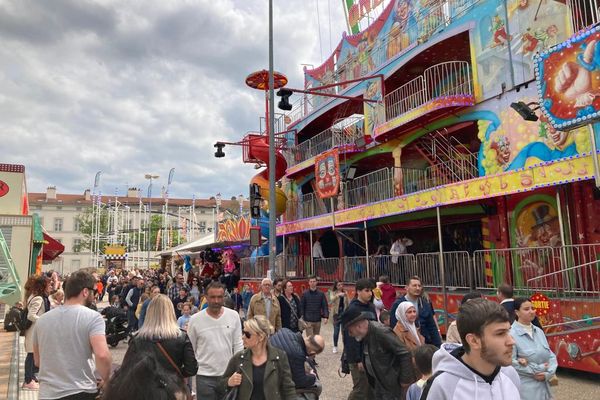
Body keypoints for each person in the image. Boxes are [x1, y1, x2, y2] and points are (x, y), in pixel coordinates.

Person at [32, 270, 112, 399]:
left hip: (47, 393)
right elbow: (102, 355)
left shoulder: (42, 320)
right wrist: (107, 379)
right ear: (85, 292)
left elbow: (38, 361)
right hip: (80, 390)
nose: (94, 295)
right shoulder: (93, 317)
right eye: (94, 291)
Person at [421, 298, 520, 400]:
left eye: (508, 331)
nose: (511, 341)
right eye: (500, 333)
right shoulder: (442, 385)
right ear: (473, 341)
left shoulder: (510, 374)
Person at [103, 294, 198, 399]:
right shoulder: (182, 337)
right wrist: (175, 374)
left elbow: (127, 368)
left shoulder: (138, 338)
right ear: (170, 312)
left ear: (150, 312)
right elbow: (191, 369)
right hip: (173, 391)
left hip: (144, 391)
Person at [342, 308, 416, 400]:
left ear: (359, 327)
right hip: (379, 383)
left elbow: (404, 353)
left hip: (391, 386)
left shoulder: (381, 332)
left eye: (350, 331)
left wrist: (405, 380)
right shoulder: (365, 335)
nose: (350, 334)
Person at [187, 282, 243, 400]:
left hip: (228, 376)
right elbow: (190, 349)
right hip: (204, 377)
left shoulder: (234, 316)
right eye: (212, 297)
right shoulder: (195, 320)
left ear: (224, 297)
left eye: (219, 297)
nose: (216, 301)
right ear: (206, 297)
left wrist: (238, 370)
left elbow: (238, 346)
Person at [219, 316, 296, 400]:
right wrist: (229, 382)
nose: (243, 337)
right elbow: (220, 385)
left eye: (247, 334)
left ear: (261, 337)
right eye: (243, 332)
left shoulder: (279, 357)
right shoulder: (238, 358)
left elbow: (288, 388)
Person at [510, 297, 557, 400]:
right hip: (527, 390)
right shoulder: (511, 334)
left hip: (545, 388)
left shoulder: (539, 331)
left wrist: (548, 374)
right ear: (517, 312)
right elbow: (510, 362)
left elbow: (551, 355)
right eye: (526, 309)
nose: (531, 312)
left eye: (532, 308)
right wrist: (538, 369)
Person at [343, 278, 377, 400]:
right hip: (358, 356)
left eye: (371, 291)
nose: (370, 293)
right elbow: (349, 338)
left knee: (371, 388)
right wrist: (358, 359)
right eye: (367, 290)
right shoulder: (352, 310)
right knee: (360, 389)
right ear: (358, 291)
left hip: (371, 354)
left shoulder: (371, 307)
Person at [269, 328, 324, 397]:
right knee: (317, 387)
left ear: (309, 337)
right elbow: (300, 381)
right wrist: (313, 376)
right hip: (270, 380)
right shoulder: (298, 354)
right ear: (312, 353)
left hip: (265, 364)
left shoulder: (286, 330)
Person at [390, 276, 442, 347]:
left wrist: (438, 345)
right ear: (407, 287)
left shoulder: (425, 304)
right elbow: (393, 326)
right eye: (414, 285)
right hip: (406, 345)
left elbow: (432, 327)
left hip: (425, 344)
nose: (417, 288)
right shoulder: (398, 304)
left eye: (419, 286)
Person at [22, 274, 50, 390]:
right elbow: (31, 315)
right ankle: (28, 380)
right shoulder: (38, 298)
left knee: (33, 355)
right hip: (34, 331)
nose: (50, 286)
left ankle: (31, 378)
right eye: (49, 284)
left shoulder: (34, 295)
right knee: (31, 355)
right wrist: (44, 320)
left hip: (34, 331)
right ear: (44, 286)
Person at [328, 280, 347, 354]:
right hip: (336, 313)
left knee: (344, 331)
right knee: (336, 331)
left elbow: (347, 303)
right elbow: (330, 301)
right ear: (336, 286)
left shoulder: (345, 292)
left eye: (341, 285)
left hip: (344, 313)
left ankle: (345, 346)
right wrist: (338, 295)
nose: (340, 286)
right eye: (339, 285)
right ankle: (335, 346)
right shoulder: (332, 292)